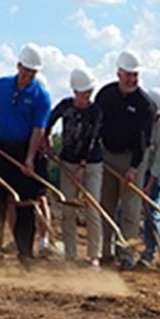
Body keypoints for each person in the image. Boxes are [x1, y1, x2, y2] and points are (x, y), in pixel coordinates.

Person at [0, 43, 51, 266]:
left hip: (24, 151)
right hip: (1, 150)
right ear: (18, 66)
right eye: (26, 69)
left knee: (25, 205)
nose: (28, 75)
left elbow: (38, 130)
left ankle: (25, 254)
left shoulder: (41, 96)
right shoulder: (2, 85)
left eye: (33, 71)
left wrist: (29, 159)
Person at [95, 51, 155, 270]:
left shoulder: (145, 105)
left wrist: (133, 168)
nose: (131, 79)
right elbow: (96, 127)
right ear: (118, 73)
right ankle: (105, 252)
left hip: (132, 157)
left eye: (135, 75)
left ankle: (127, 256)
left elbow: (143, 141)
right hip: (107, 155)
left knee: (130, 209)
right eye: (128, 74)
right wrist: (96, 154)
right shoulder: (105, 95)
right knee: (106, 205)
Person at [45, 67, 103, 268]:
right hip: (67, 162)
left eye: (89, 92)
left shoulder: (96, 111)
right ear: (75, 91)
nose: (87, 97)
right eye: (83, 93)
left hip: (92, 163)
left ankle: (94, 254)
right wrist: (49, 143)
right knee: (68, 207)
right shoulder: (65, 106)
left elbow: (92, 139)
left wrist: (82, 167)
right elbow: (48, 124)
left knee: (92, 208)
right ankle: (70, 253)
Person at [136, 87, 160, 266]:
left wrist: (149, 185)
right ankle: (121, 248)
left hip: (157, 171)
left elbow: (159, 162)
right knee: (125, 208)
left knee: (152, 207)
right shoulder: (138, 121)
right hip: (138, 168)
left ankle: (150, 251)